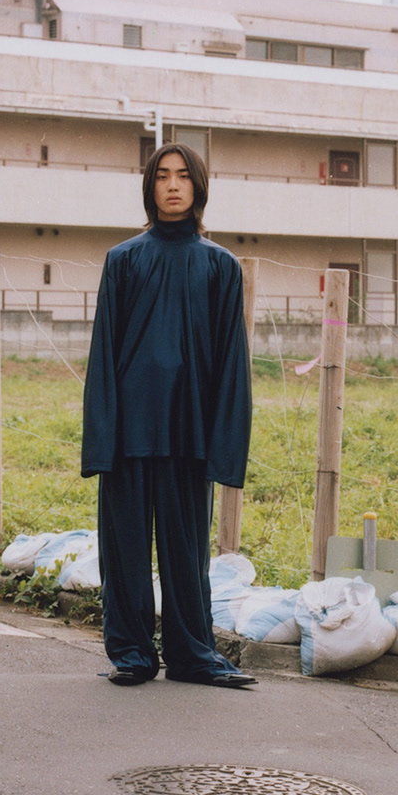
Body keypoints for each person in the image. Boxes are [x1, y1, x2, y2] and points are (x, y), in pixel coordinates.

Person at [81, 143, 256, 688]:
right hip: (129, 430)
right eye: (162, 176)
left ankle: (191, 654)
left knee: (187, 551)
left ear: (198, 186)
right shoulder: (123, 260)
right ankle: (132, 654)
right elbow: (103, 353)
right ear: (150, 187)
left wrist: (225, 443)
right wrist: (101, 438)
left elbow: (231, 360)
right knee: (125, 550)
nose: (173, 185)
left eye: (183, 176)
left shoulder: (221, 265)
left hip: (189, 429)